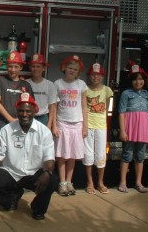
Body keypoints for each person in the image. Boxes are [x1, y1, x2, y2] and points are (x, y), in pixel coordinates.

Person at [0, 93, 58, 220]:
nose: (24, 114)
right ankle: (12, 199)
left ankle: (38, 208)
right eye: (21, 111)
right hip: (12, 173)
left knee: (52, 180)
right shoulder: (7, 130)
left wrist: (47, 173)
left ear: (34, 112)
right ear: (17, 111)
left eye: (28, 111)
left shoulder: (44, 131)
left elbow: (49, 158)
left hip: (34, 174)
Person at [53, 55, 88, 197]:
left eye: (75, 69)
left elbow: (84, 107)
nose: (72, 71)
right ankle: (62, 183)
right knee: (61, 155)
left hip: (77, 123)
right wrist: (54, 125)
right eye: (70, 68)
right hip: (62, 122)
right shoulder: (57, 84)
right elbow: (54, 106)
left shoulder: (82, 85)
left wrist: (85, 126)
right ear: (64, 68)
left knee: (72, 155)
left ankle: (69, 182)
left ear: (78, 71)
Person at [118, 64, 148, 194]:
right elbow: (121, 112)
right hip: (130, 127)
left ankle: (138, 182)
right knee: (127, 153)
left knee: (140, 155)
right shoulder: (126, 93)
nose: (138, 82)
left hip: (143, 127)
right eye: (135, 79)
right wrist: (123, 130)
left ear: (144, 80)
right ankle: (123, 183)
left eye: (140, 79)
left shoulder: (147, 95)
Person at [82, 63, 113, 194]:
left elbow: (110, 110)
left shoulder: (108, 90)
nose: (96, 77)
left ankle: (100, 182)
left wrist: (108, 127)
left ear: (102, 76)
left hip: (101, 126)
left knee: (101, 155)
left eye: (98, 74)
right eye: (93, 74)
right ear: (89, 76)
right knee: (88, 154)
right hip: (88, 125)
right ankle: (90, 182)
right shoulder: (85, 90)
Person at [0, 51, 34, 138]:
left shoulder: (26, 85)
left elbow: (31, 106)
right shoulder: (0, 81)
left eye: (16, 67)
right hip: (1, 125)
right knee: (0, 151)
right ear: (7, 66)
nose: (13, 69)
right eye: (10, 66)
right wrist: (11, 119)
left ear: (21, 67)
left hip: (21, 125)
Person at [27, 54, 57, 128]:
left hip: (43, 118)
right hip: (28, 117)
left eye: (38, 66)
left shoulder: (50, 85)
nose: (35, 69)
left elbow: (52, 106)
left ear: (44, 68)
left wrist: (49, 125)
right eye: (33, 66)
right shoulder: (25, 83)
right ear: (30, 68)